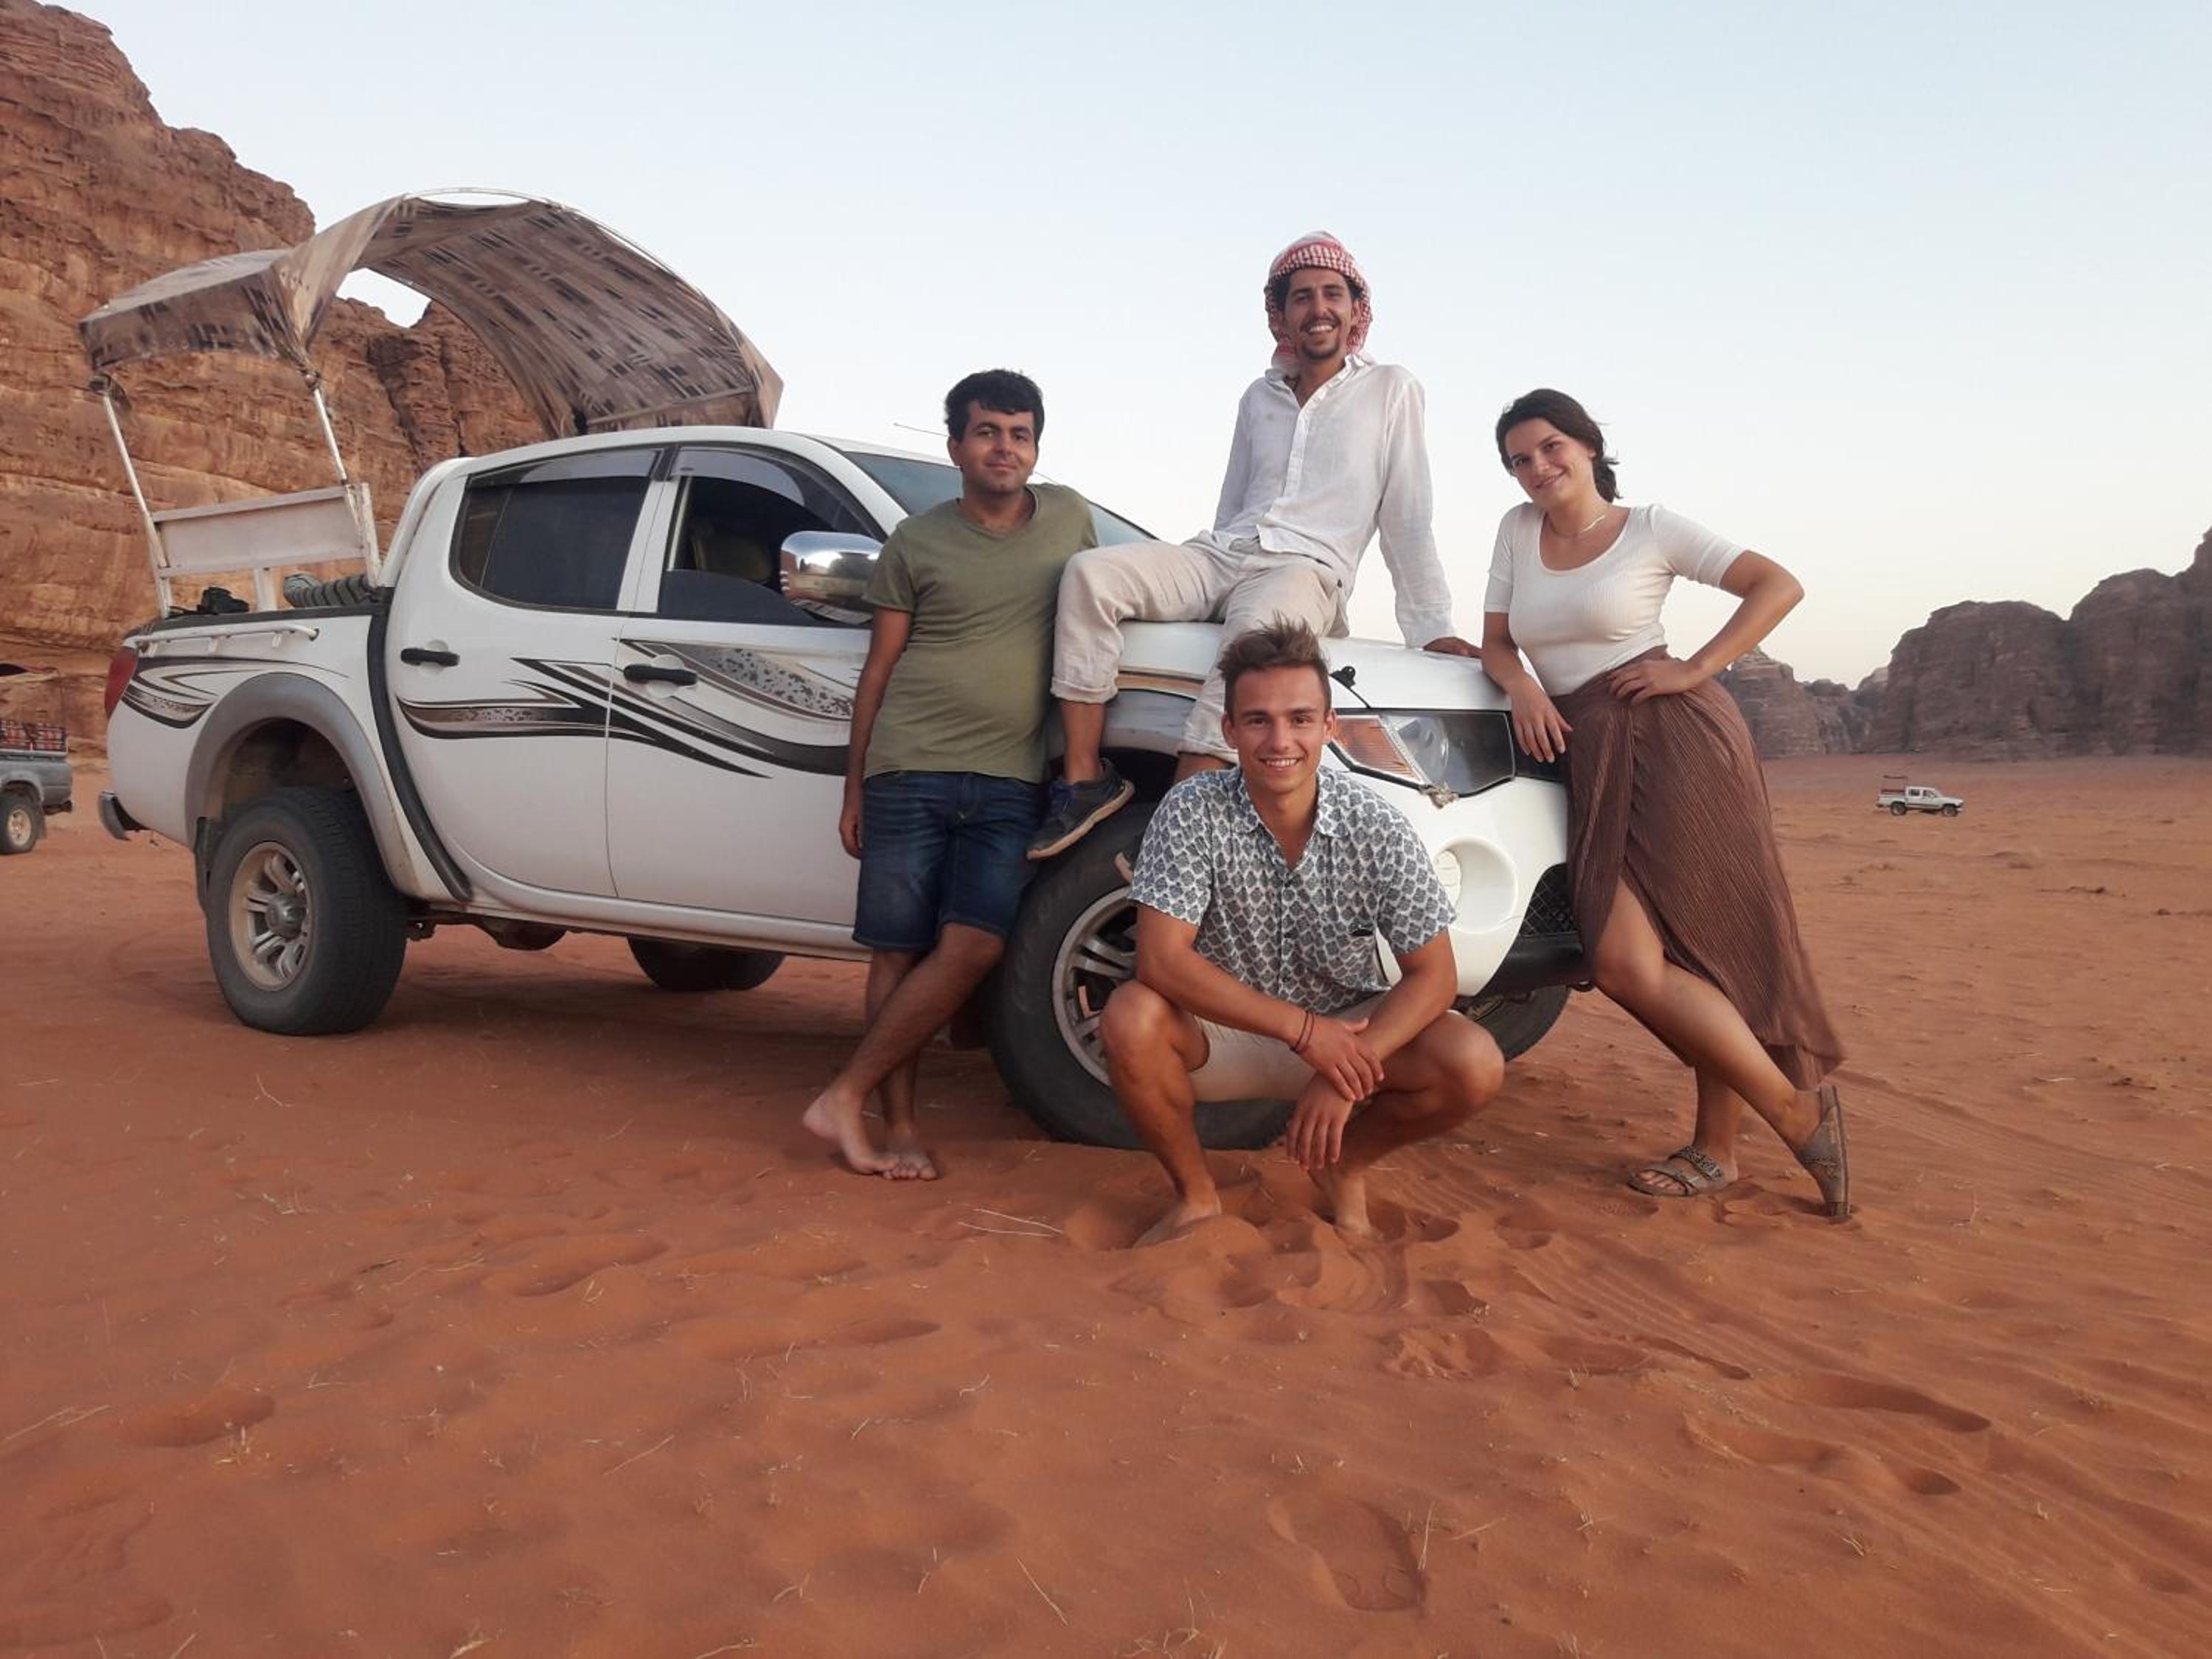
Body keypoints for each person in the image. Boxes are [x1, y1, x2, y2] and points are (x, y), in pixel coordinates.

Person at [1478, 389, 1850, 1216]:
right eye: (1519, 459)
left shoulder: (1649, 527)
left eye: (1549, 448)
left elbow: (1776, 585)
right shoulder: (1516, 530)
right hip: (1583, 746)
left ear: (1587, 445)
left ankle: (1720, 1150)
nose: (1536, 468)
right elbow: (1498, 643)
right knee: (1624, 962)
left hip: (1673, 740)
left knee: (1706, 946)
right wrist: (1524, 689)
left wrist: (1695, 668)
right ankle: (1795, 1113)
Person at [1026, 232, 1478, 860]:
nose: (1318, 308)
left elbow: (1408, 513)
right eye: (1302, 297)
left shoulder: (1390, 389)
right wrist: (1208, 591)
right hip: (1225, 553)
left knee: (1249, 647)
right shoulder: (1258, 397)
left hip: (1306, 569)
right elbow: (1234, 501)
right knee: (1088, 575)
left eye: (1332, 294)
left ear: (1355, 308)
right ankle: (1084, 782)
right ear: (1282, 314)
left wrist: (1431, 628)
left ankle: (1177, 839)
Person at [1100, 620, 1504, 1245]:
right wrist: (1306, 1034)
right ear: (1229, 731)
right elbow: (1161, 962)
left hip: (1347, 1028)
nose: (1280, 740)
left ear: (1329, 726)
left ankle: (1344, 1166)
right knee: (1130, 1018)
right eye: (1257, 720)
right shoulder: (1191, 808)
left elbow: (1436, 976)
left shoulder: (1376, 825)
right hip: (1221, 1030)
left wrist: (1350, 1067)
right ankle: (1197, 1197)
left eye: (1300, 719)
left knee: (1474, 1062)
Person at [801, 369, 1096, 1179]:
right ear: (957, 446)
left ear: (1036, 447)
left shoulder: (1070, 519)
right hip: (909, 769)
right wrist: (855, 786)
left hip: (1011, 779)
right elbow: (878, 668)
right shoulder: (916, 541)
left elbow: (1110, 604)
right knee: (897, 950)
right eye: (987, 432)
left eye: (1020, 434)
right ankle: (896, 1127)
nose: (1005, 447)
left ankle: (844, 1094)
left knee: (973, 947)